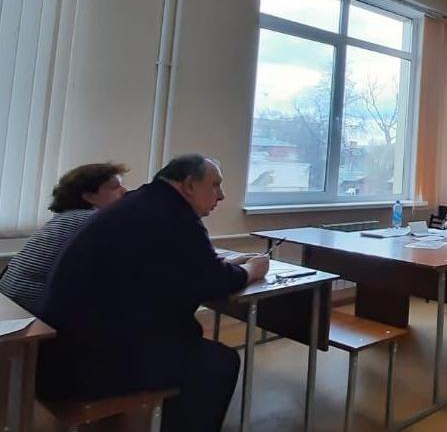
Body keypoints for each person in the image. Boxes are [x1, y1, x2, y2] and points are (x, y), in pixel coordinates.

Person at [38, 154, 269, 432]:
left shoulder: (142, 203)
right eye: (215, 185)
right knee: (218, 363)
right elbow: (214, 282)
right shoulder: (176, 215)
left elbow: (178, 268)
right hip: (84, 367)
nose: (221, 195)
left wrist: (223, 266)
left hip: (59, 354)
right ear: (189, 185)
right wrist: (252, 269)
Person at [0, 162, 129, 314]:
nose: (125, 191)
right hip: (33, 305)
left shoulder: (65, 218)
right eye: (115, 186)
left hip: (11, 298)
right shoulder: (93, 219)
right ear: (90, 196)